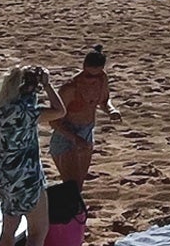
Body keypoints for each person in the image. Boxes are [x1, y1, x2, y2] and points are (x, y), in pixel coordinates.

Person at [0, 64, 66, 246]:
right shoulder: (27, 112)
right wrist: (48, 85)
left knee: (8, 231)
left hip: (3, 173)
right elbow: (60, 111)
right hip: (27, 175)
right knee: (37, 232)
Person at [50, 45, 120, 185]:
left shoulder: (102, 79)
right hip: (66, 135)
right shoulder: (70, 88)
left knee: (79, 183)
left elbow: (104, 100)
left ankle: (76, 207)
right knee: (70, 183)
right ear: (83, 68)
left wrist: (111, 110)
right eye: (89, 76)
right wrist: (75, 138)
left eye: (97, 75)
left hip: (87, 131)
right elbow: (54, 121)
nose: (92, 80)